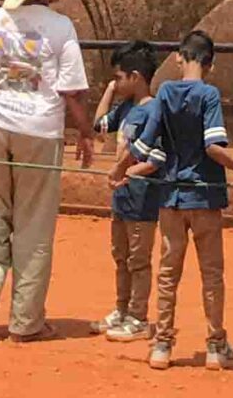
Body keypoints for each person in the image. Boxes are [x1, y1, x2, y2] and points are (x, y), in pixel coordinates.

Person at [0, 0, 94, 342]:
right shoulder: (60, 27)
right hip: (38, 129)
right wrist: (85, 132)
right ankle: (25, 321)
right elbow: (71, 91)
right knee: (34, 224)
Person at [117, 28, 233, 371]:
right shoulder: (209, 95)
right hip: (205, 198)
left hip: (170, 198)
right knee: (212, 274)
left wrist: (120, 171)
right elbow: (213, 147)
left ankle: (163, 346)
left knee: (168, 273)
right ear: (209, 64)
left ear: (181, 58)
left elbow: (142, 145)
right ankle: (215, 346)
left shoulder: (165, 92)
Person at [95, 43, 164, 341]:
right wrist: (110, 90)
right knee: (120, 256)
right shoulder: (125, 107)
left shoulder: (154, 111)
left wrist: (126, 171)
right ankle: (121, 309)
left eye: (120, 77)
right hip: (121, 196)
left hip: (142, 197)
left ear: (136, 77)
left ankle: (138, 316)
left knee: (138, 259)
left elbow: (155, 156)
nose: (117, 82)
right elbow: (100, 124)